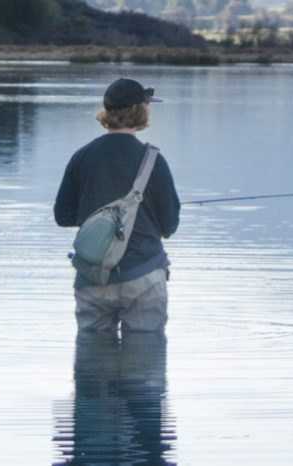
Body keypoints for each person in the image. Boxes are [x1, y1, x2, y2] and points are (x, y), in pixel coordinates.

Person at [54, 78, 180, 333]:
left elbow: (63, 216)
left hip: (93, 275)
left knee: (92, 366)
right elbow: (169, 225)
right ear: (140, 111)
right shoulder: (154, 160)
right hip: (144, 276)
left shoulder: (82, 156)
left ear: (107, 112)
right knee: (145, 362)